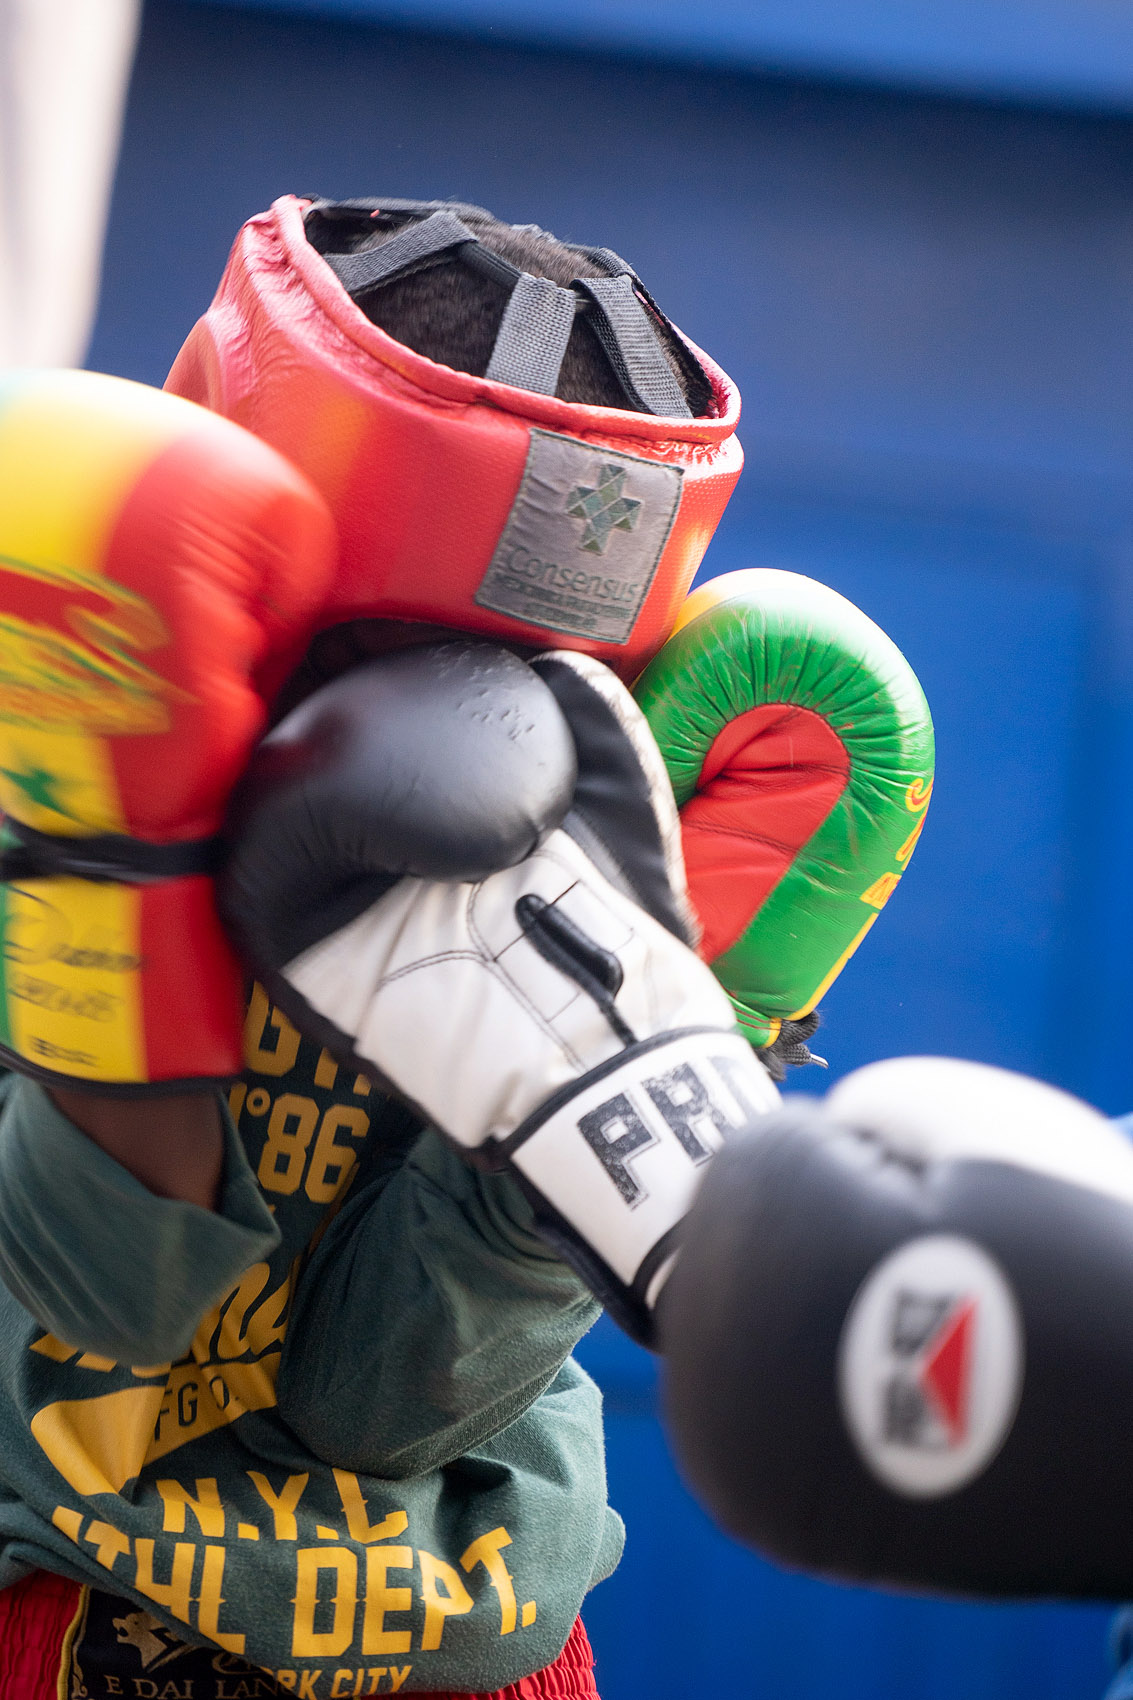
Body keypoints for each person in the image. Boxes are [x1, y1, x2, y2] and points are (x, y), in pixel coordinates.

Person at [0, 199, 932, 1696]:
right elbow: (98, 1311)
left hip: (472, 1633)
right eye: (380, 649)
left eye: (521, 665)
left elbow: (387, 1405)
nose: (438, 718)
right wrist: (119, 878)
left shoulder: (588, 811)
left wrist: (629, 1049)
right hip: (62, 1598)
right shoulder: (50, 706)